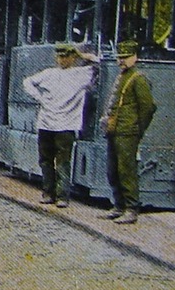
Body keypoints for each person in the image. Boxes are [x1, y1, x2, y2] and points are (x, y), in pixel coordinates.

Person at [22, 43, 99, 207]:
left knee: (63, 161)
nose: (63, 60)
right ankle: (48, 192)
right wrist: (39, 97)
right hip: (46, 124)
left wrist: (84, 56)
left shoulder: (81, 74)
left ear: (73, 58)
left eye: (67, 57)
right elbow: (27, 82)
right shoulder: (49, 74)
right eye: (60, 57)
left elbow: (99, 65)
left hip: (67, 125)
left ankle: (63, 196)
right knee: (45, 160)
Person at [100, 40, 156, 224]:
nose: (121, 61)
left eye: (125, 57)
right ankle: (119, 206)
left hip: (127, 132)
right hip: (115, 131)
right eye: (119, 57)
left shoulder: (138, 78)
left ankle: (131, 209)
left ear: (135, 57)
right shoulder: (122, 76)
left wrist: (138, 130)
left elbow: (148, 108)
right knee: (112, 170)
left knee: (126, 170)